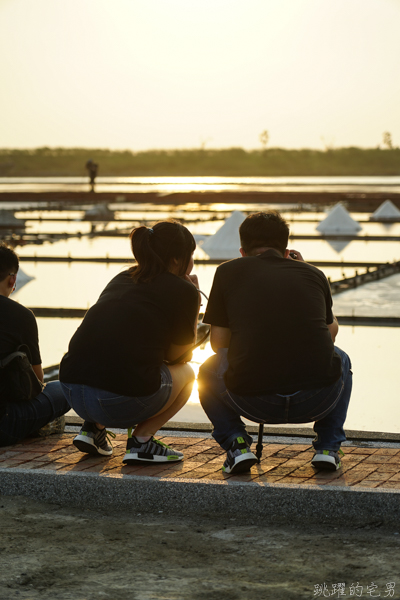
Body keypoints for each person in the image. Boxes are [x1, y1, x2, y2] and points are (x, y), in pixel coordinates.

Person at [198, 211, 352, 474]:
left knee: (206, 369)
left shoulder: (226, 271)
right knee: (341, 357)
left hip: (252, 401)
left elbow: (218, 345)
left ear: (242, 250)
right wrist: (308, 270)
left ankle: (235, 445)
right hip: (317, 399)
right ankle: (328, 448)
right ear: (286, 248)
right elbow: (330, 334)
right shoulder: (313, 273)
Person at [60, 220, 200, 464]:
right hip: (116, 401)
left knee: (112, 360)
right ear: (177, 259)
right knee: (188, 373)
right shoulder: (183, 289)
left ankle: (93, 430)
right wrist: (195, 304)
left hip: (71, 391)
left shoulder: (123, 276)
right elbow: (180, 356)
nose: (193, 261)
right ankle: (142, 441)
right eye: (192, 255)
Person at [0, 244, 69, 447]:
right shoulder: (20, 315)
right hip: (5, 424)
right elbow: (38, 382)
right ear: (13, 279)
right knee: (65, 389)